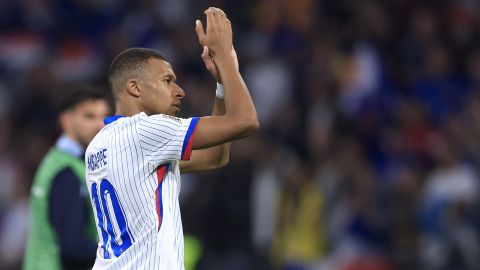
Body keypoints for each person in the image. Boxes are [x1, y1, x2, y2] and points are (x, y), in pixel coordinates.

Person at [84, 7, 259, 269]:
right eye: (168, 80)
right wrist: (227, 60)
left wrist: (221, 86)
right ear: (135, 87)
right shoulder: (145, 131)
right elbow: (246, 121)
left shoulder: (100, 144)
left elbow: (214, 157)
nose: (179, 91)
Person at [24, 85, 112, 270]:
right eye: (89, 116)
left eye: (103, 117)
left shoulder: (59, 162)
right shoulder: (66, 171)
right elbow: (72, 243)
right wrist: (119, 253)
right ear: (66, 121)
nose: (99, 125)